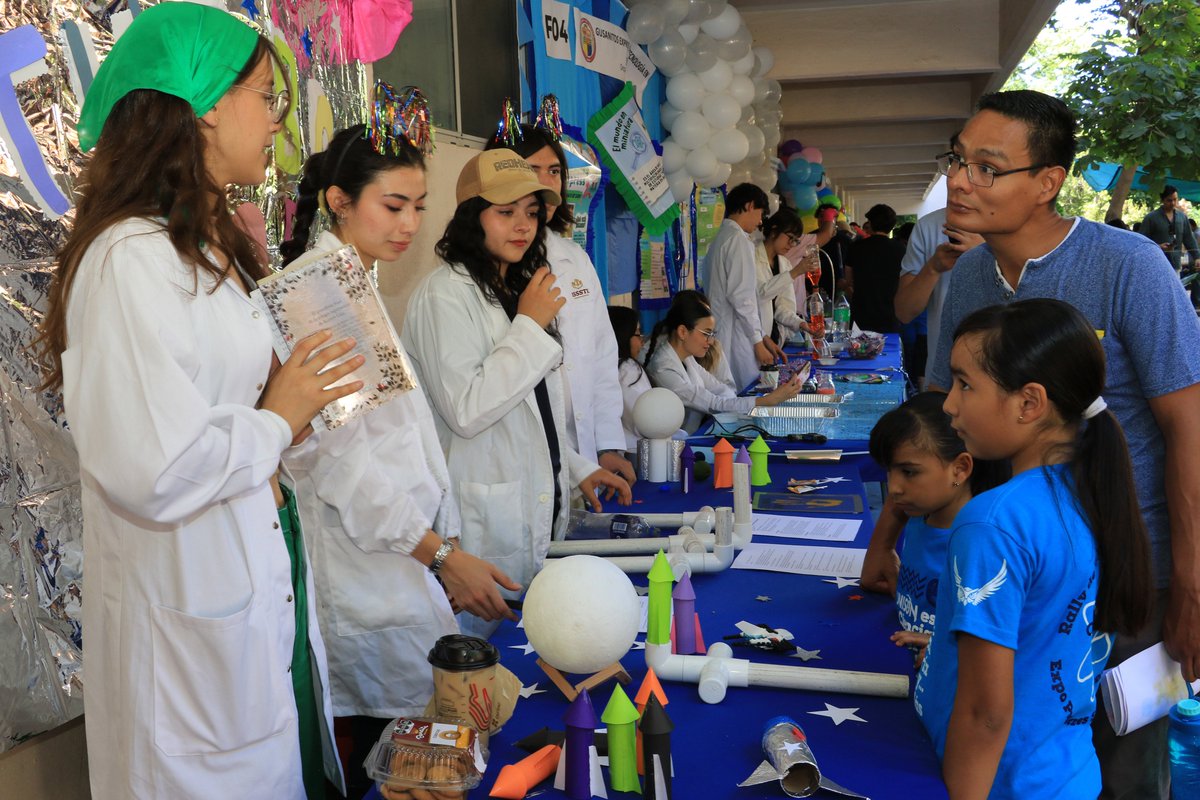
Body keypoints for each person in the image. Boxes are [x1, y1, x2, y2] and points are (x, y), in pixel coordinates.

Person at [36, 4, 359, 796]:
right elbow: (151, 471)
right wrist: (277, 416)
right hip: (187, 642)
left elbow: (231, 409)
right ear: (206, 101)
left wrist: (301, 410)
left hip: (246, 593)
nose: (275, 120)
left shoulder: (209, 247)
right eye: (262, 96)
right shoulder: (128, 260)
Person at [865, 88, 1200, 800]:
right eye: (958, 159)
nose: (960, 180)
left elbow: (1187, 425)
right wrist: (897, 538)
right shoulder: (970, 280)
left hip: (1135, 578)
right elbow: (942, 428)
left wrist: (1193, 583)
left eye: (988, 167)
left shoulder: (1129, 265)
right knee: (1019, 753)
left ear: (1048, 182)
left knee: (1127, 768)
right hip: (1020, 577)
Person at [277, 119, 521, 795]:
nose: (410, 222)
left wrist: (440, 550)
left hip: (401, 559)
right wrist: (440, 555)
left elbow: (393, 444)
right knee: (398, 768)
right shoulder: (314, 294)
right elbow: (342, 468)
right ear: (338, 200)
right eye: (394, 205)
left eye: (419, 205)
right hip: (368, 574)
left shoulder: (355, 285)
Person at [915, 298, 1152, 799]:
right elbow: (1044, 630)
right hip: (1068, 777)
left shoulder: (992, 523)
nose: (949, 403)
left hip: (1001, 784)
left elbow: (985, 715)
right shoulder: (1091, 490)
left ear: (1029, 403)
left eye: (965, 384)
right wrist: (948, 652)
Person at [401, 149, 631, 637]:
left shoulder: (514, 287)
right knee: (480, 670)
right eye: (505, 213)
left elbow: (533, 416)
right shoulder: (445, 294)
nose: (522, 226)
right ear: (470, 218)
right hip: (480, 523)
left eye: (531, 212)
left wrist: (575, 466)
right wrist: (529, 325)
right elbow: (468, 409)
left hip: (528, 511)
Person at [484, 125, 635, 484]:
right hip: (525, 463)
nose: (546, 182)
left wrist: (608, 444)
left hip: (585, 454)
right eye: (532, 170)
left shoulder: (574, 258)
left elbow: (600, 353)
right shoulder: (491, 268)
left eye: (554, 171)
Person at [868, 391, 1007, 666]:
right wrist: (885, 544)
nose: (894, 488)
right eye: (889, 471)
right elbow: (870, 578)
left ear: (960, 468)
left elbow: (1002, 643)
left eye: (909, 472)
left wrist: (946, 649)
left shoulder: (983, 543)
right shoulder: (920, 514)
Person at [644, 290, 801, 432]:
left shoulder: (687, 358)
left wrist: (750, 403)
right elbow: (713, 403)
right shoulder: (663, 369)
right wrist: (767, 400)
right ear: (683, 332)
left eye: (712, 334)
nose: (711, 342)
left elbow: (720, 390)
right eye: (706, 334)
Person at [700, 183, 786, 388]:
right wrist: (757, 341)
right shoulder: (737, 239)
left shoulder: (721, 238)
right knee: (742, 391)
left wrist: (763, 336)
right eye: (760, 213)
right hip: (735, 333)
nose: (760, 221)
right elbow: (741, 297)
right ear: (749, 205)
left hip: (726, 328)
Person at [892, 203, 984, 381]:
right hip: (943, 379)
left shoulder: (1018, 225)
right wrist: (933, 267)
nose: (958, 182)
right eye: (951, 173)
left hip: (1007, 379)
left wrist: (988, 254)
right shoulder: (929, 226)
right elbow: (904, 312)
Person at [843, 203, 906, 333]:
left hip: (861, 312)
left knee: (859, 350)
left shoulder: (857, 247)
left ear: (870, 223)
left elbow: (848, 279)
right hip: (890, 313)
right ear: (892, 226)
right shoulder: (900, 249)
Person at [755, 208, 811, 344]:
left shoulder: (784, 263)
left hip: (776, 339)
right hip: (754, 338)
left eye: (796, 241)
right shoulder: (752, 256)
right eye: (790, 238)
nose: (791, 245)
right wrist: (795, 272)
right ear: (774, 230)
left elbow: (782, 307)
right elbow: (759, 295)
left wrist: (800, 324)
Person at [607, 305, 651, 453]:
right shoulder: (628, 369)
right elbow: (644, 422)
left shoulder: (606, 365)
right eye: (637, 333)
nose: (642, 341)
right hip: (633, 452)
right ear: (622, 335)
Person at [1139, 184, 1199, 275]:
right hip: (1156, 266)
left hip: (1176, 266)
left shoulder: (1182, 217)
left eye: (1175, 199)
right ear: (1162, 200)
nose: (1173, 203)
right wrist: (1158, 247)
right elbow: (1141, 241)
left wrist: (1197, 257)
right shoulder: (1151, 218)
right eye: (1169, 200)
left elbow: (1189, 238)